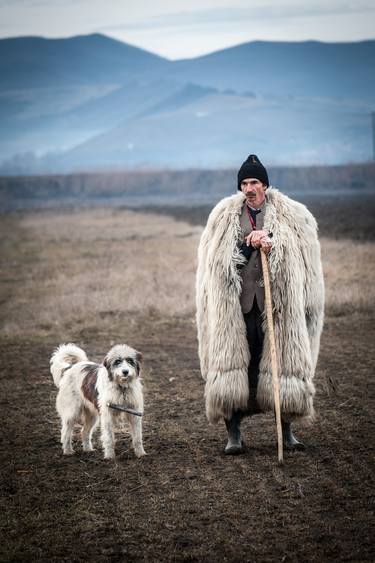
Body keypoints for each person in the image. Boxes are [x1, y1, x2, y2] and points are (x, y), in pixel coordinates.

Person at [196, 154, 324, 454]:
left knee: (282, 366)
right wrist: (246, 244)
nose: (248, 187)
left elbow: (303, 262)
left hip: (277, 309)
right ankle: (234, 434)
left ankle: (286, 429)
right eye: (243, 183)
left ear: (265, 185)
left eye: (254, 182)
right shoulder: (224, 217)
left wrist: (272, 241)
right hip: (238, 309)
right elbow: (216, 264)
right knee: (236, 369)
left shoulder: (291, 215)